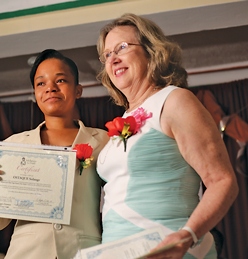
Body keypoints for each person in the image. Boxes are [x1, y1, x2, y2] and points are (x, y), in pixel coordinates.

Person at [96, 13, 239, 259]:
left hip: (169, 249)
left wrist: (187, 236)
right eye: (107, 54)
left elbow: (223, 181)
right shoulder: (125, 117)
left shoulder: (175, 101)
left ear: (151, 51)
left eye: (122, 47)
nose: (113, 58)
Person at [0, 49, 109, 259]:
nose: (50, 88)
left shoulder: (103, 140)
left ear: (78, 90)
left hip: (83, 251)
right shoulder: (13, 145)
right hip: (27, 252)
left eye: (61, 80)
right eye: (41, 83)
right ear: (35, 94)